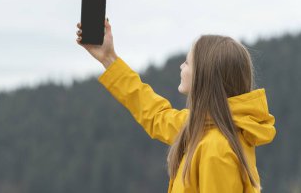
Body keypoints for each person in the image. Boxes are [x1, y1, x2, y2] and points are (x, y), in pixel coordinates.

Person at [76, 18, 276, 193]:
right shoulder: (202, 126)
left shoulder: (217, 149)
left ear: (204, 77)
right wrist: (109, 58)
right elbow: (155, 114)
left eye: (187, 63)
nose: (181, 67)